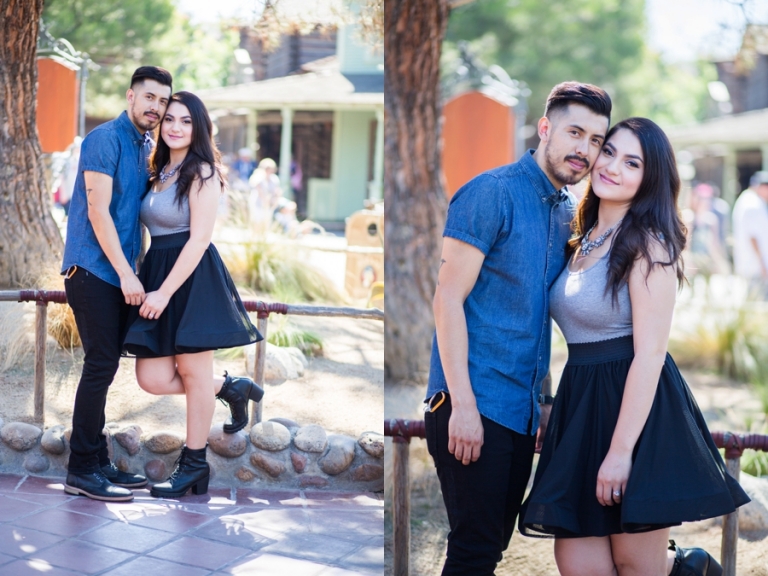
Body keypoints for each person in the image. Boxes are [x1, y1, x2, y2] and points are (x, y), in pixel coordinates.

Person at [519, 118, 749, 576]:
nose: (612, 167)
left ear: (650, 178)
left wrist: (622, 452)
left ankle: (687, 568)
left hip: (635, 411)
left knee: (634, 564)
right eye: (609, 152)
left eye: (632, 163)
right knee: (577, 560)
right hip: (581, 403)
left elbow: (650, 354)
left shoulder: (649, 245)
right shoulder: (579, 238)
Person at [425, 81, 612, 575]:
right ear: (545, 129)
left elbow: (538, 318)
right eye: (575, 133)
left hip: (519, 412)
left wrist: (544, 400)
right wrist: (462, 406)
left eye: (596, 140)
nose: (584, 150)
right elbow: (447, 299)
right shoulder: (492, 192)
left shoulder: (566, 214)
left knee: (489, 550)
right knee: (473, 551)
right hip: (472, 403)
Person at [122, 91, 264, 498]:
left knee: (192, 372)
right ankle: (229, 386)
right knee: (151, 377)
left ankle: (194, 466)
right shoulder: (159, 171)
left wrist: (164, 293)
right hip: (157, 272)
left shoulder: (202, 172)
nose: (175, 127)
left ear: (198, 127)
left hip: (190, 277)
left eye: (185, 121)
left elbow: (200, 239)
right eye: (169, 119)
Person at [60, 66, 173, 502]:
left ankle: (97, 461)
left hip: (120, 274)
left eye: (163, 101)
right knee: (101, 364)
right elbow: (98, 211)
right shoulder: (104, 139)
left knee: (104, 368)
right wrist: (128, 274)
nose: (156, 107)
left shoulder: (147, 144)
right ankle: (81, 469)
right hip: (92, 271)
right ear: (130, 96)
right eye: (149, 97)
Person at [732, 171, 768, 295]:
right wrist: (763, 265)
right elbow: (753, 237)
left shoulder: (749, 200)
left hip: (752, 266)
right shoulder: (753, 204)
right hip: (755, 267)